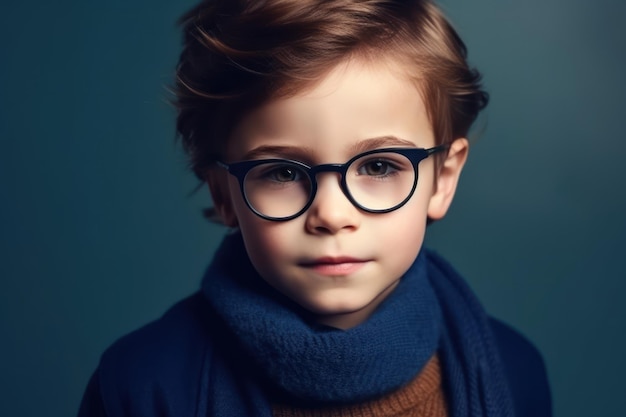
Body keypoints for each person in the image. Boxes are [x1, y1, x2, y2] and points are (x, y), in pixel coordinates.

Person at [78, 0, 551, 416]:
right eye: (282, 173)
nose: (331, 214)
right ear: (223, 194)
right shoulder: (141, 385)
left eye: (380, 166)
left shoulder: (514, 369)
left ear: (442, 180)